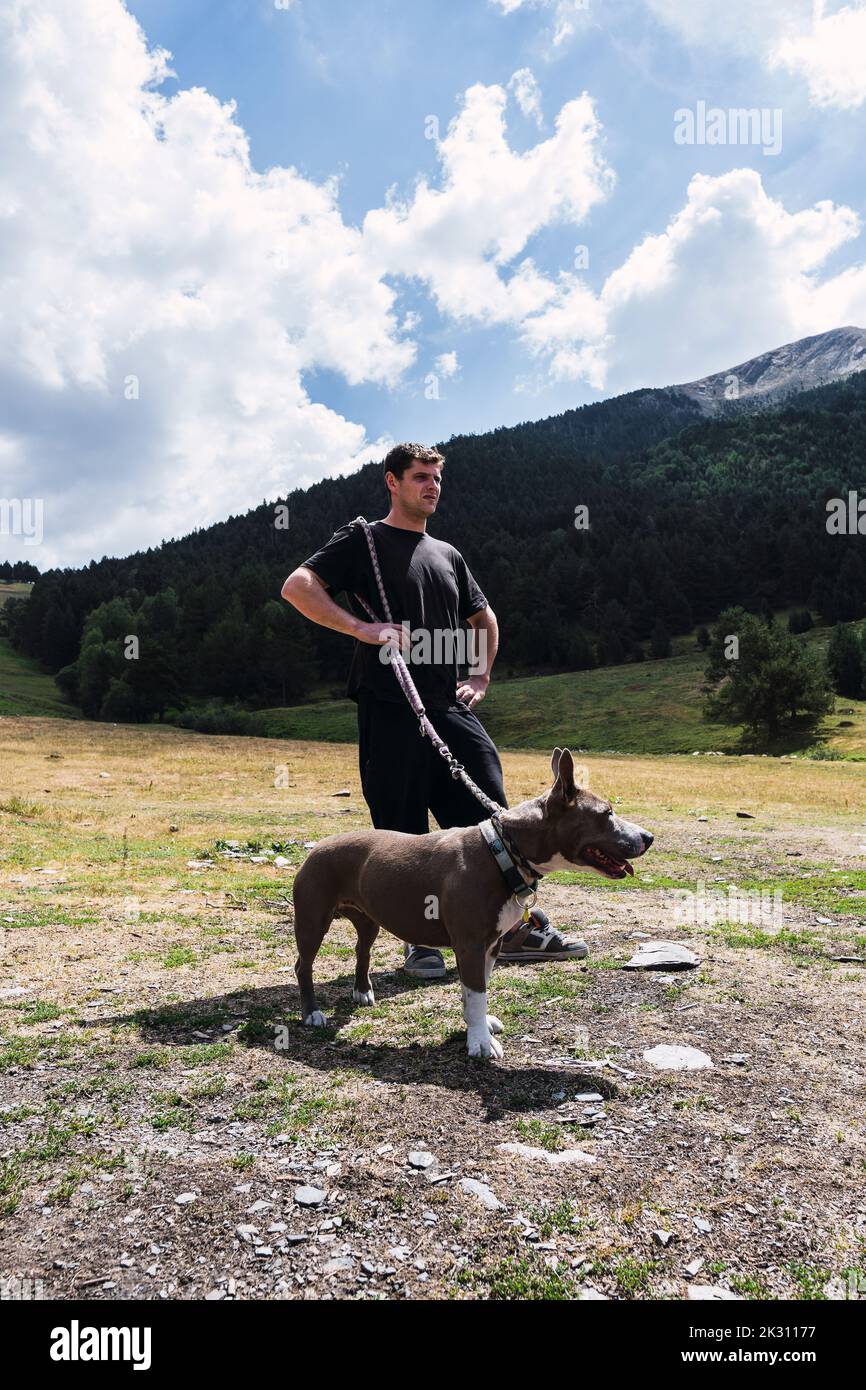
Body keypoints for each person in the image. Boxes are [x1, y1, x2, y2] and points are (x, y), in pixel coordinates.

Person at [281, 442, 587, 976]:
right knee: (402, 832)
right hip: (391, 704)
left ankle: (512, 928)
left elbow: (485, 619)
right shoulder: (364, 540)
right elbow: (297, 586)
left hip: (448, 706)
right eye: (420, 477)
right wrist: (362, 629)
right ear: (392, 482)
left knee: (493, 818)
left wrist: (480, 675)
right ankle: (419, 942)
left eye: (437, 480)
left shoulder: (447, 554)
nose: (432, 487)